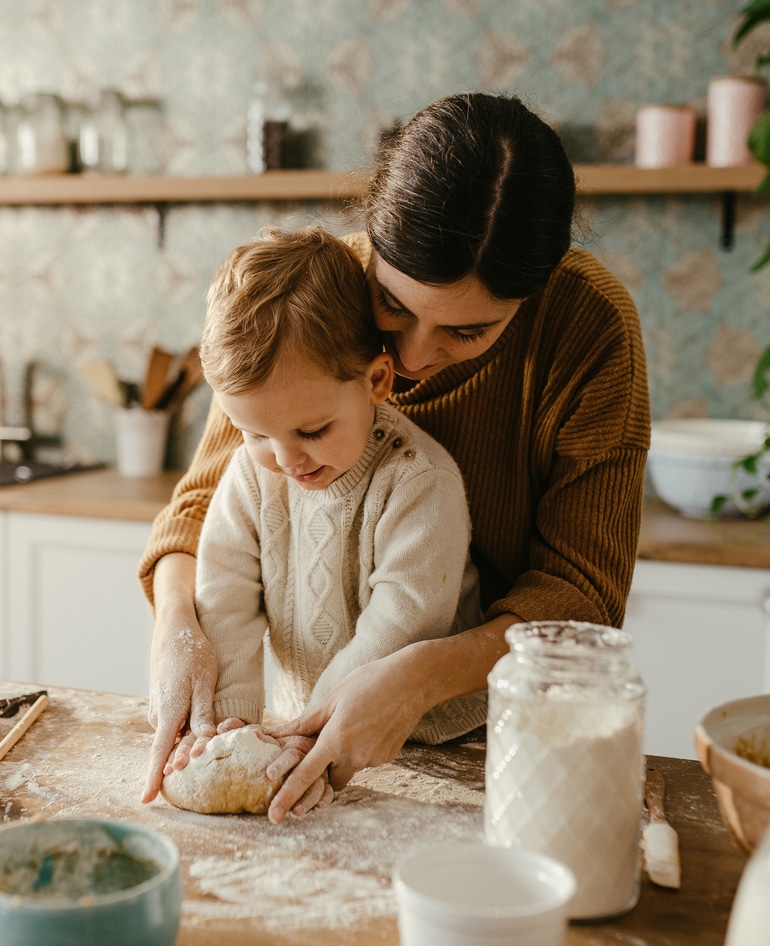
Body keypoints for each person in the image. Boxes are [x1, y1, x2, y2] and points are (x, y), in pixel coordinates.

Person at [139, 91, 651, 824]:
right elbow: (204, 509)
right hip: (302, 724)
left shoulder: (588, 326)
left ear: (533, 296)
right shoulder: (315, 295)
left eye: (467, 333)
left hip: (490, 735)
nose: (409, 360)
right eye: (394, 305)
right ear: (371, 240)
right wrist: (178, 629)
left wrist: (415, 677)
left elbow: (582, 597)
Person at [185, 225, 485, 772]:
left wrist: (311, 731)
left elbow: (399, 622)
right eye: (255, 435)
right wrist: (234, 722)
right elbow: (224, 596)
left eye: (313, 430)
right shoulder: (251, 478)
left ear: (376, 380)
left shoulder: (420, 482)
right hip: (305, 728)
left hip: (440, 744)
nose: (286, 460)